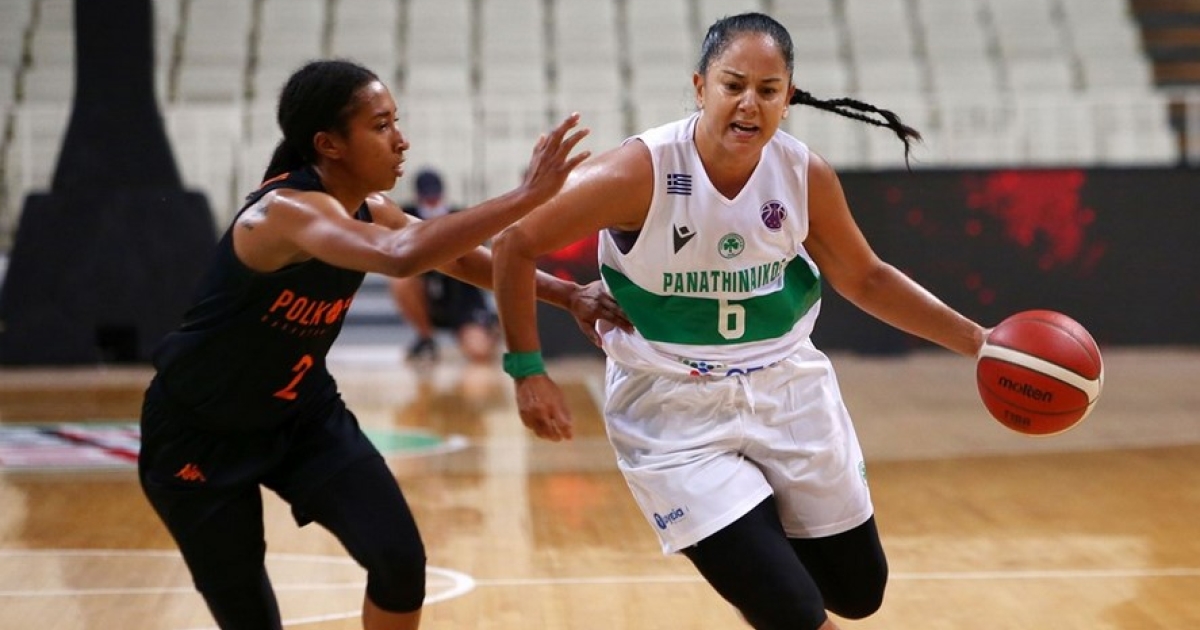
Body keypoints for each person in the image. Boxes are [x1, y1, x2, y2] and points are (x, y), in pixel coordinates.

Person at [491, 12, 988, 630]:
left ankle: (757, 554)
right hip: (673, 407)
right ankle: (754, 562)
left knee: (858, 593)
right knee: (791, 609)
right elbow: (514, 243)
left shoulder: (803, 174)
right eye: (733, 85)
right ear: (701, 87)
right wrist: (527, 370)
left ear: (788, 98)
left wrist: (981, 342)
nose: (749, 103)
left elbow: (866, 278)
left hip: (788, 389)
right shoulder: (639, 172)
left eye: (768, 90)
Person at [137, 59, 626, 630]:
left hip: (300, 416)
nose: (401, 139)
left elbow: (459, 259)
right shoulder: (281, 214)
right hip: (199, 430)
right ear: (329, 144)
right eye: (381, 125)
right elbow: (401, 256)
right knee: (248, 613)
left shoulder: (370, 208)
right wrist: (524, 198)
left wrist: (568, 294)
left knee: (400, 563)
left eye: (396, 121)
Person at [388, 168, 499, 363]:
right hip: (429, 296)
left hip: (463, 299)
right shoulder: (405, 215)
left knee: (479, 352)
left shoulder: (461, 216)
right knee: (401, 281)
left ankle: (490, 331)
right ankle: (426, 338)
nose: (432, 201)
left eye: (435, 196)